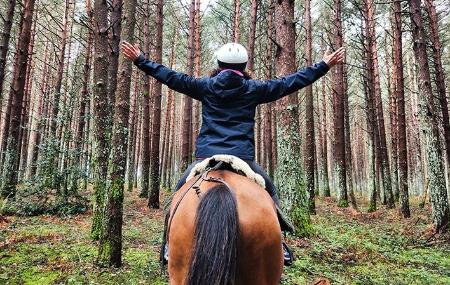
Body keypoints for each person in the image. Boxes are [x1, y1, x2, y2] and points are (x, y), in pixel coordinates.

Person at [122, 41, 345, 266]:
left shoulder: (205, 86)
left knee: (179, 193)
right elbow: (291, 82)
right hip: (242, 157)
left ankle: (170, 244)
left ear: (219, 65)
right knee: (270, 192)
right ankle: (278, 244)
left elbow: (170, 77)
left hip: (206, 156)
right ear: (244, 65)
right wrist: (323, 65)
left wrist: (141, 60)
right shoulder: (254, 89)